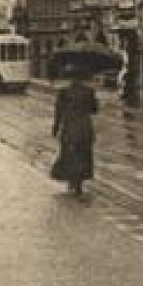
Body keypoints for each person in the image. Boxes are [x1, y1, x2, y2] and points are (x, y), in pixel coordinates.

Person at [51, 65, 98, 196]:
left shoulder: (64, 92)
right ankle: (79, 181)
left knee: (69, 153)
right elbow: (94, 110)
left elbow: (58, 111)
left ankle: (72, 179)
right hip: (85, 127)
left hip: (70, 127)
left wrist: (55, 127)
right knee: (83, 154)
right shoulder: (89, 91)